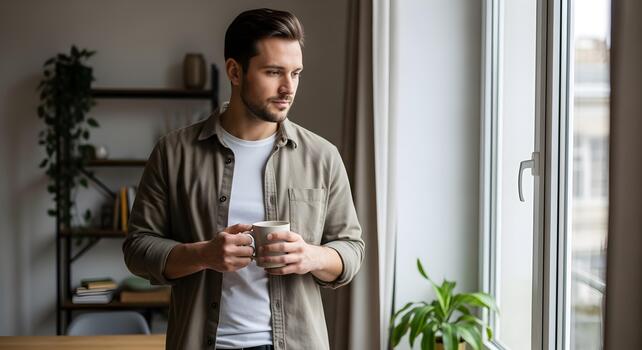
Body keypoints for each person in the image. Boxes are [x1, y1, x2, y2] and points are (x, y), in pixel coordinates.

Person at [123, 8, 364, 350]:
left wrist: (311, 256)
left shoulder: (322, 156)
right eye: (273, 72)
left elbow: (351, 249)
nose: (288, 88)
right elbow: (137, 248)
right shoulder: (174, 152)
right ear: (235, 71)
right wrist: (204, 254)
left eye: (296, 73)